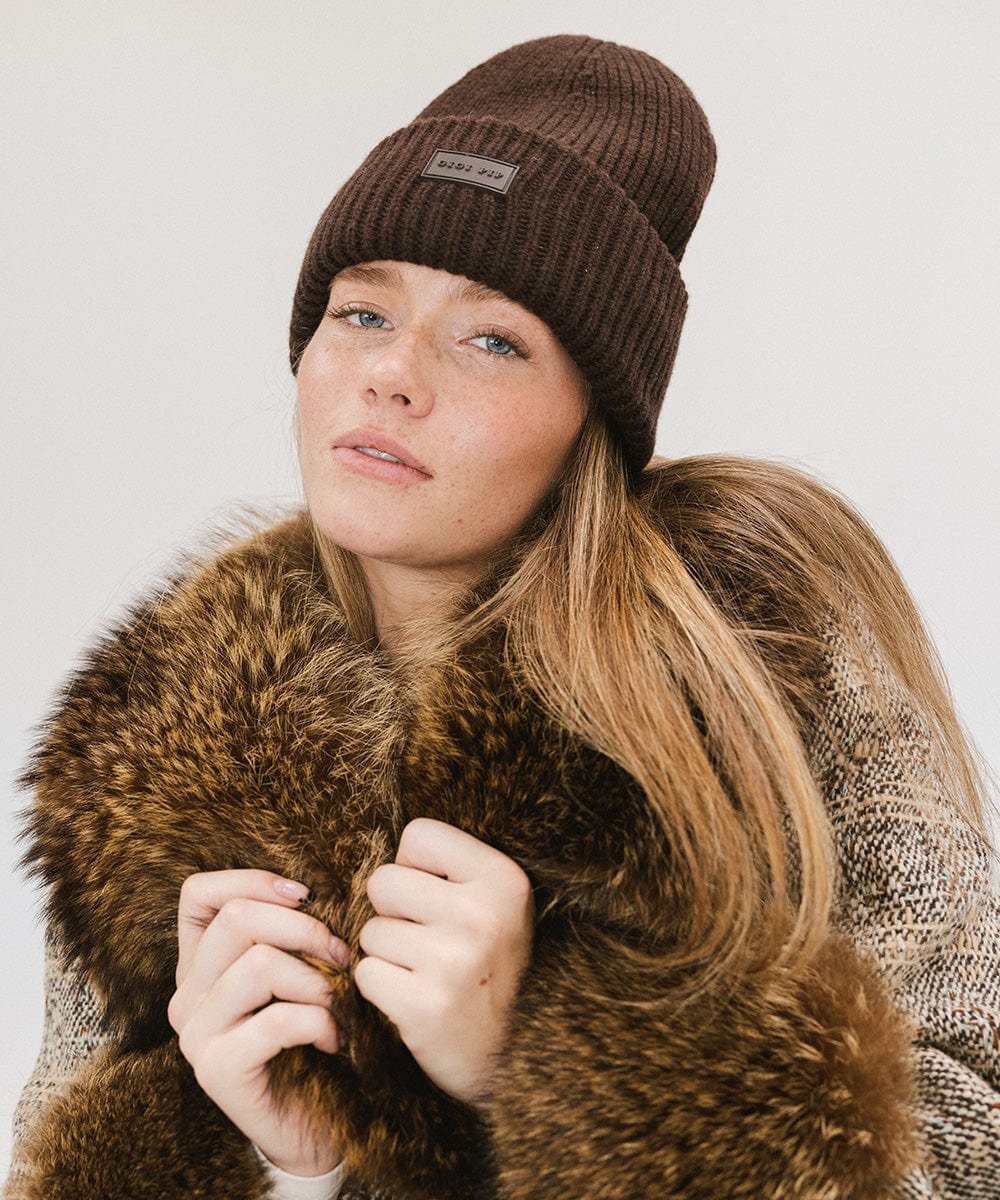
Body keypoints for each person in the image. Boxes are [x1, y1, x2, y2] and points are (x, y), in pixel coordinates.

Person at [6, 33, 998, 1200]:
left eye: (491, 339)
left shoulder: (759, 667)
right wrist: (282, 1162)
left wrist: (531, 1068)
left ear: (591, 419)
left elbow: (972, 1144)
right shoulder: (168, 745)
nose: (393, 373)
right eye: (360, 313)